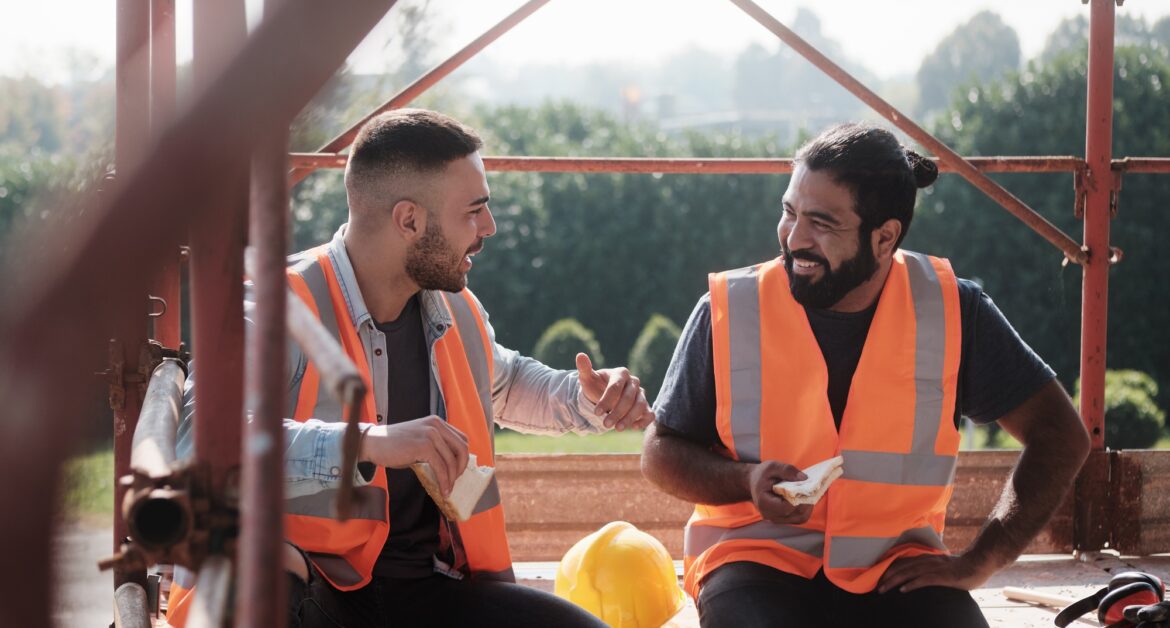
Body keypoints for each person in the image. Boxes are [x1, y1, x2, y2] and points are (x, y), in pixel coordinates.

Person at [168, 109, 654, 627]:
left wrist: (586, 401)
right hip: (311, 597)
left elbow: (505, 382)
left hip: (425, 592)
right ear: (409, 221)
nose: (488, 228)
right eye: (474, 211)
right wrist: (370, 444)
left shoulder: (455, 308)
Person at [640, 123, 1090, 627]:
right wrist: (745, 481)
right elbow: (660, 451)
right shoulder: (730, 308)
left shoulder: (954, 311)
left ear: (885, 238)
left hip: (895, 569)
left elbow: (1061, 436)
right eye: (789, 213)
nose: (795, 239)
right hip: (754, 558)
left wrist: (981, 560)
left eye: (822, 223)